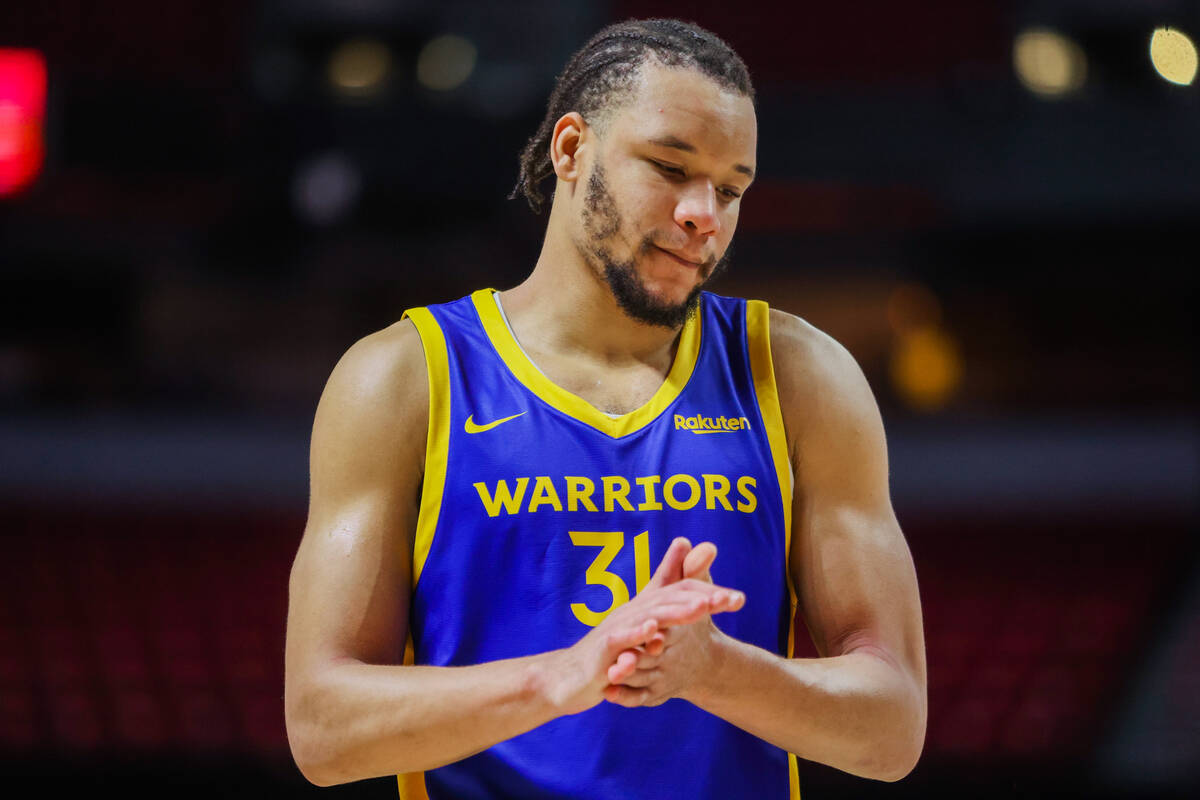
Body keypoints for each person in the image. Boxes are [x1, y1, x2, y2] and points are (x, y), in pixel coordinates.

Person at [284, 17, 926, 800]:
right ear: (571, 149)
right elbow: (322, 727)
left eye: (731, 189)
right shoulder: (406, 377)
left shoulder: (800, 375)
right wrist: (569, 677)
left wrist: (714, 669)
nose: (704, 214)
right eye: (669, 166)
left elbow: (893, 728)